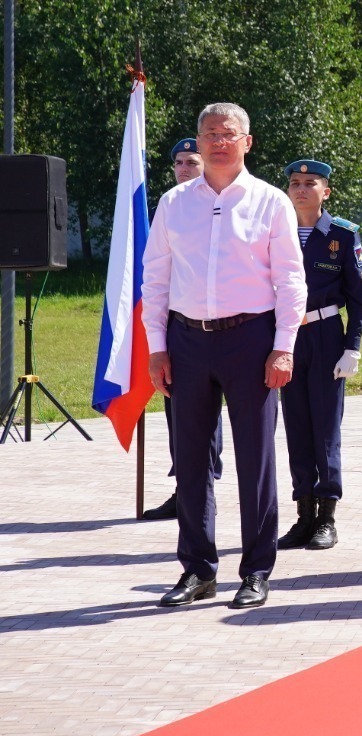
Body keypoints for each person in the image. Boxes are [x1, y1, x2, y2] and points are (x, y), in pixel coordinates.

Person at [143, 104, 307, 610]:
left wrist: (283, 347)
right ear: (197, 141)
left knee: (255, 460)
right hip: (187, 340)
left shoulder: (270, 201)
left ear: (247, 142)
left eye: (228, 133)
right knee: (191, 460)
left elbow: (291, 280)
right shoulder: (174, 203)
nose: (218, 142)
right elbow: (155, 278)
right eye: (209, 133)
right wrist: (157, 347)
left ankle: (256, 571)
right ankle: (197, 570)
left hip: (250, 340)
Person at [275, 159, 362, 552]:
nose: (300, 189)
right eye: (294, 182)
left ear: (325, 191)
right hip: (286, 338)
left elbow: (358, 301)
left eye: (309, 183)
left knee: (325, 428)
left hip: (326, 335)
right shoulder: (274, 231)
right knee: (296, 426)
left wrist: (352, 347)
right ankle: (303, 515)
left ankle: (327, 517)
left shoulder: (343, 235)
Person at [140, 137, 225, 521]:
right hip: (179, 327)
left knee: (206, 416)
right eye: (179, 163)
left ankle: (203, 487)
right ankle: (185, 488)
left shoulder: (218, 208)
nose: (185, 169)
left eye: (192, 162)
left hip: (218, 329)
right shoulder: (170, 209)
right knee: (178, 413)